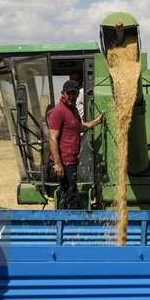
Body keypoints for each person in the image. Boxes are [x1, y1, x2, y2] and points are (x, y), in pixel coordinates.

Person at [49, 80, 103, 209]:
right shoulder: (58, 112)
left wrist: (96, 121)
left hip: (72, 162)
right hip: (64, 162)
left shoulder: (73, 110)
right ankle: (71, 226)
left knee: (66, 194)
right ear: (63, 93)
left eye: (75, 94)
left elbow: (79, 127)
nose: (72, 97)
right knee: (71, 197)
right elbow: (52, 139)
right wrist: (58, 164)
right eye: (69, 94)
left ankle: (61, 225)